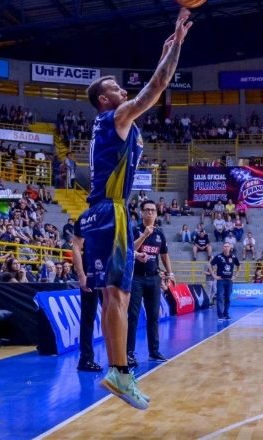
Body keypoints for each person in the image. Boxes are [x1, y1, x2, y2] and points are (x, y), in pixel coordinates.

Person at [79, 8, 192, 410]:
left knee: (112, 294)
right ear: (105, 99)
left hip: (96, 214)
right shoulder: (117, 116)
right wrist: (176, 45)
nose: (124, 91)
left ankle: (117, 371)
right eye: (116, 88)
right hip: (111, 211)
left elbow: (151, 82)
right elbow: (157, 87)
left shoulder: (108, 124)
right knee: (120, 297)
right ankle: (120, 372)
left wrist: (164, 50)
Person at [127, 200, 174, 367]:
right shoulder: (134, 230)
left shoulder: (160, 233)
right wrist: (144, 235)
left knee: (154, 316)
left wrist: (170, 272)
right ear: (141, 212)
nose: (150, 213)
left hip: (154, 278)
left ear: (156, 213)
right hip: (136, 277)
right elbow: (129, 249)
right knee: (132, 316)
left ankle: (154, 351)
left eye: (153, 210)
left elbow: (164, 254)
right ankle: (129, 353)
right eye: (147, 210)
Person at [71, 210, 104, 373]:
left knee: (114, 314)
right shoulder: (84, 217)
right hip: (91, 272)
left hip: (109, 271)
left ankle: (120, 357)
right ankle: (86, 358)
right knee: (88, 317)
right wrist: (81, 275)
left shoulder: (115, 213)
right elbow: (76, 246)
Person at [210, 242, 239, 321]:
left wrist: (235, 275)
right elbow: (211, 264)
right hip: (221, 280)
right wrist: (213, 275)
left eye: (228, 246)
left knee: (228, 298)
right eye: (225, 246)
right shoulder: (218, 256)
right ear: (223, 248)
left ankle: (226, 313)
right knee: (219, 297)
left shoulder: (233, 257)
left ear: (230, 248)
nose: (226, 248)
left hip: (229, 280)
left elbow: (238, 265)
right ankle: (220, 315)